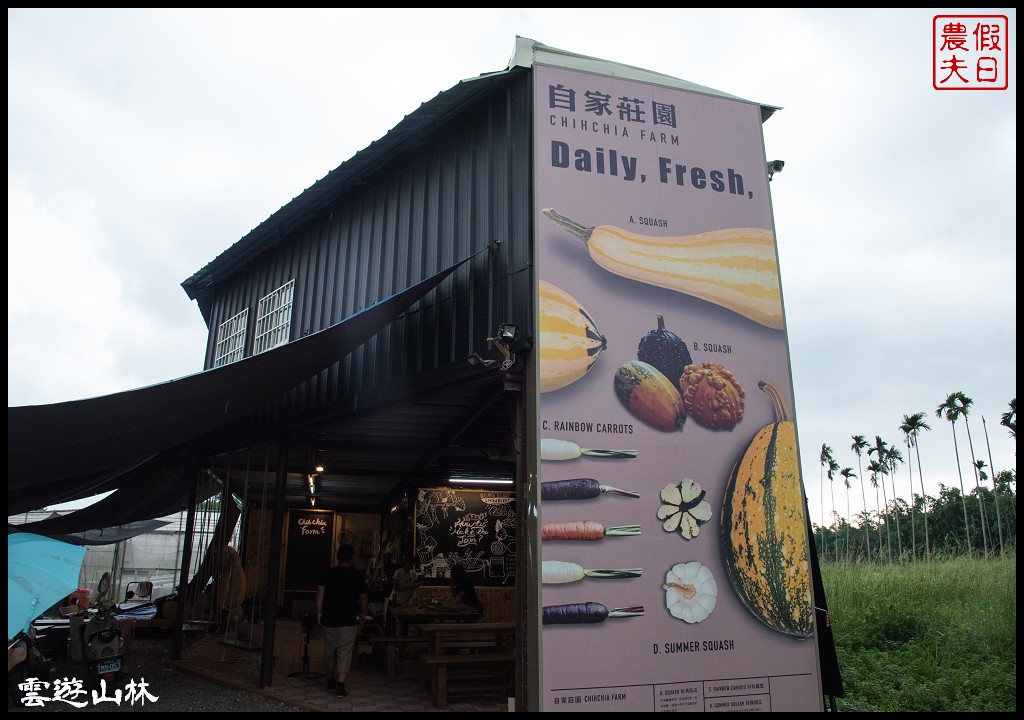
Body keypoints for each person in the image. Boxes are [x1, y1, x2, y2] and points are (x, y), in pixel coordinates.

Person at [316, 543, 369, 698]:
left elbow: (320, 594)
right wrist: (363, 614)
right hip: (348, 619)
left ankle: (330, 678)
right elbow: (364, 598)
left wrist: (319, 613)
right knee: (345, 651)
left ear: (337, 556)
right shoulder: (357, 576)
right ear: (351, 558)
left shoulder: (328, 573)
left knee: (329, 651)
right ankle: (341, 686)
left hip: (329, 618)